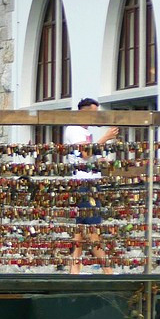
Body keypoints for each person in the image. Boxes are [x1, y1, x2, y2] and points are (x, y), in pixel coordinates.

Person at [63, 98, 117, 275]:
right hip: (85, 184)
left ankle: (74, 270)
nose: (96, 117)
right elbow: (85, 153)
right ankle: (107, 270)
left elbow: (87, 156)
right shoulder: (75, 129)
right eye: (94, 113)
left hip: (88, 181)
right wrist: (105, 138)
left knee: (80, 228)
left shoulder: (82, 131)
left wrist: (98, 160)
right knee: (92, 228)